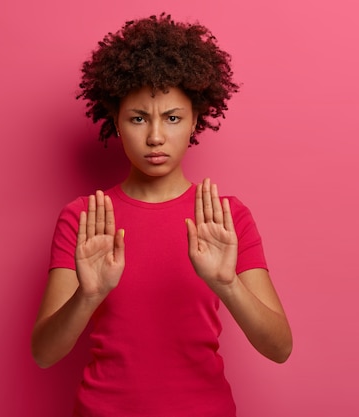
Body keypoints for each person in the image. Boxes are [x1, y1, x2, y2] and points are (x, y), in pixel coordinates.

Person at [31, 13, 292, 416]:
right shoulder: (84, 217)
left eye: (172, 118)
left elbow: (279, 348)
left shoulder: (226, 217)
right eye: (138, 118)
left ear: (194, 122)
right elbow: (45, 354)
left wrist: (227, 284)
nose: (155, 136)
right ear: (116, 122)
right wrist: (89, 295)